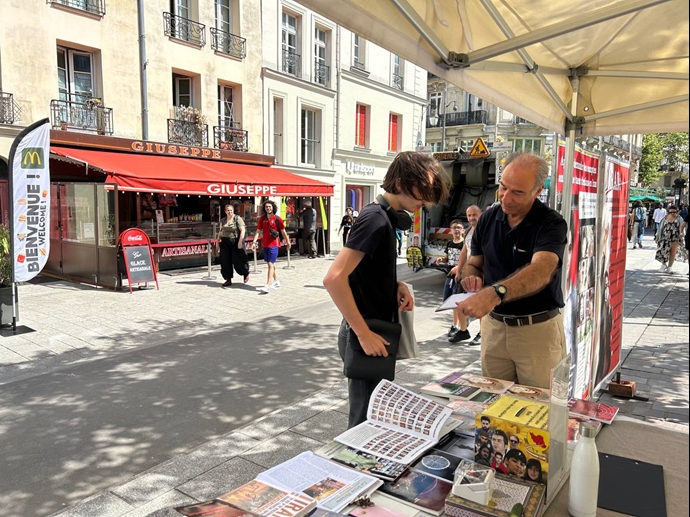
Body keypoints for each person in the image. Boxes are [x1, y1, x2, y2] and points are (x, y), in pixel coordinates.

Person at [323, 151, 449, 428]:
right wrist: (363, 333)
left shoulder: (383, 217)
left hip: (373, 330)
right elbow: (333, 279)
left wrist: (394, 283)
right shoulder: (375, 220)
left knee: (373, 413)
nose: (426, 202)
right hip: (366, 333)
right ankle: (354, 469)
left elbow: (362, 271)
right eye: (424, 192)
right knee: (364, 420)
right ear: (402, 183)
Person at [457, 152, 567, 389]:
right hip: (494, 328)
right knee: (494, 407)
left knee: (541, 410)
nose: (506, 198)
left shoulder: (551, 222)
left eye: (517, 192)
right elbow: (474, 262)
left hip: (536, 332)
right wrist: (471, 277)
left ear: (537, 191)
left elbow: (541, 270)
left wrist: (495, 293)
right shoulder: (488, 218)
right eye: (503, 187)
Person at [252, 200, 290, 293]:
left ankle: (267, 285)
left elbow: (283, 232)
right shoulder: (262, 218)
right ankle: (276, 281)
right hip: (265, 244)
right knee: (270, 264)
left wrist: (288, 242)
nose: (268, 208)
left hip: (274, 244)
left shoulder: (277, 219)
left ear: (273, 207)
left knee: (270, 264)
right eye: (266, 207)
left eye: (269, 206)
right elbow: (258, 231)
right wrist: (254, 242)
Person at [442, 219, 470, 343]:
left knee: (457, 302)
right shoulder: (449, 243)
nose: (456, 230)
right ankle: (456, 324)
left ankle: (457, 325)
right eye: (454, 227)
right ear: (450, 230)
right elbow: (447, 257)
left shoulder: (465, 244)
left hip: (461, 276)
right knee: (449, 301)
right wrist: (442, 260)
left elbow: (469, 260)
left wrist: (458, 268)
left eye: (459, 227)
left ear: (463, 230)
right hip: (450, 276)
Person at [461, 205, 483, 346]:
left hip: (481, 274)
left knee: (482, 304)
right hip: (469, 273)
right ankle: (463, 330)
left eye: (474, 215)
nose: (471, 218)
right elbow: (464, 251)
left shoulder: (485, 230)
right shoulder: (468, 231)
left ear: (481, 214)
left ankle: (482, 333)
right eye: (469, 215)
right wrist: (459, 269)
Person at [216, 203, 249, 287]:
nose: (229, 212)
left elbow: (243, 230)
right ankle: (228, 279)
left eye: (231, 210)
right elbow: (220, 232)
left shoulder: (237, 218)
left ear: (233, 211)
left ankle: (245, 273)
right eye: (228, 210)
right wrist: (217, 241)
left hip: (235, 241)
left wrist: (240, 242)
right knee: (225, 261)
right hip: (225, 241)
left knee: (238, 260)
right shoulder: (223, 220)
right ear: (225, 211)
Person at [655, 205, 683, 274]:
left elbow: (682, 227)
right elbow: (660, 228)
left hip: (675, 238)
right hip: (665, 238)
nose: (673, 213)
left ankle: (670, 267)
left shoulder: (679, 218)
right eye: (671, 212)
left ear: (677, 212)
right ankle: (663, 265)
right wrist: (657, 236)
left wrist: (681, 233)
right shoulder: (664, 218)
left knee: (672, 252)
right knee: (663, 251)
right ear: (668, 212)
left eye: (674, 212)